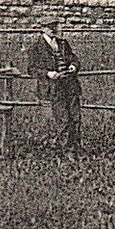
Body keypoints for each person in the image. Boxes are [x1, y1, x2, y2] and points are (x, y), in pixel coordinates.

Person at [22, 18, 81, 154]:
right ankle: (66, 151)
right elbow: (32, 69)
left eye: (55, 26)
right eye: (50, 27)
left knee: (76, 118)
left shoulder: (63, 43)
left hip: (70, 85)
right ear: (43, 29)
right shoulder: (36, 47)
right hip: (54, 87)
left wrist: (73, 66)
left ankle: (77, 148)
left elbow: (74, 59)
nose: (53, 29)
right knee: (63, 119)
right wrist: (48, 73)